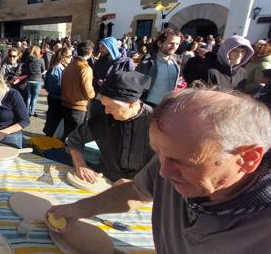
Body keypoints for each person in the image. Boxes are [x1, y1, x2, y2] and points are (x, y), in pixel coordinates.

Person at [47, 89, 271, 253]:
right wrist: (78, 209)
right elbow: (136, 191)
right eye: (159, 153)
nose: (164, 171)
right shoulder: (172, 158)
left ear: (247, 158)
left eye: (184, 162)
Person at [66, 71, 154, 183]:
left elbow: (164, 165)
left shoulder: (156, 123)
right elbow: (75, 138)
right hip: (105, 179)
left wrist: (138, 183)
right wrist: (80, 164)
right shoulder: (104, 118)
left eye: (111, 106)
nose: (106, 111)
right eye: (104, 106)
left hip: (141, 187)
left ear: (131, 103)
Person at [137, 28, 183, 107]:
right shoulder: (147, 63)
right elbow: (136, 86)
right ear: (159, 43)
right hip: (148, 105)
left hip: (168, 106)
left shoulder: (177, 62)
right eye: (171, 43)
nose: (174, 47)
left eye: (177, 44)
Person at [61, 41, 96, 140]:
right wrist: (94, 95)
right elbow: (88, 92)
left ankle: (64, 153)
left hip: (66, 105)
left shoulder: (70, 65)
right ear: (89, 52)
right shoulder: (85, 68)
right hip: (78, 108)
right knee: (75, 139)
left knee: (67, 135)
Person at [42, 47, 71, 137]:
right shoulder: (57, 68)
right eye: (69, 56)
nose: (71, 58)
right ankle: (49, 141)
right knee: (53, 123)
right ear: (63, 57)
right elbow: (51, 86)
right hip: (56, 100)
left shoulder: (61, 68)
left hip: (58, 99)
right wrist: (67, 90)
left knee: (55, 123)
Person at [23, 46, 45, 116]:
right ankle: (32, 112)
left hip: (29, 79)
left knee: (29, 97)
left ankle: (26, 111)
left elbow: (25, 68)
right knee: (34, 97)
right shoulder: (41, 59)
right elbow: (43, 69)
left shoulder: (27, 58)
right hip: (37, 80)